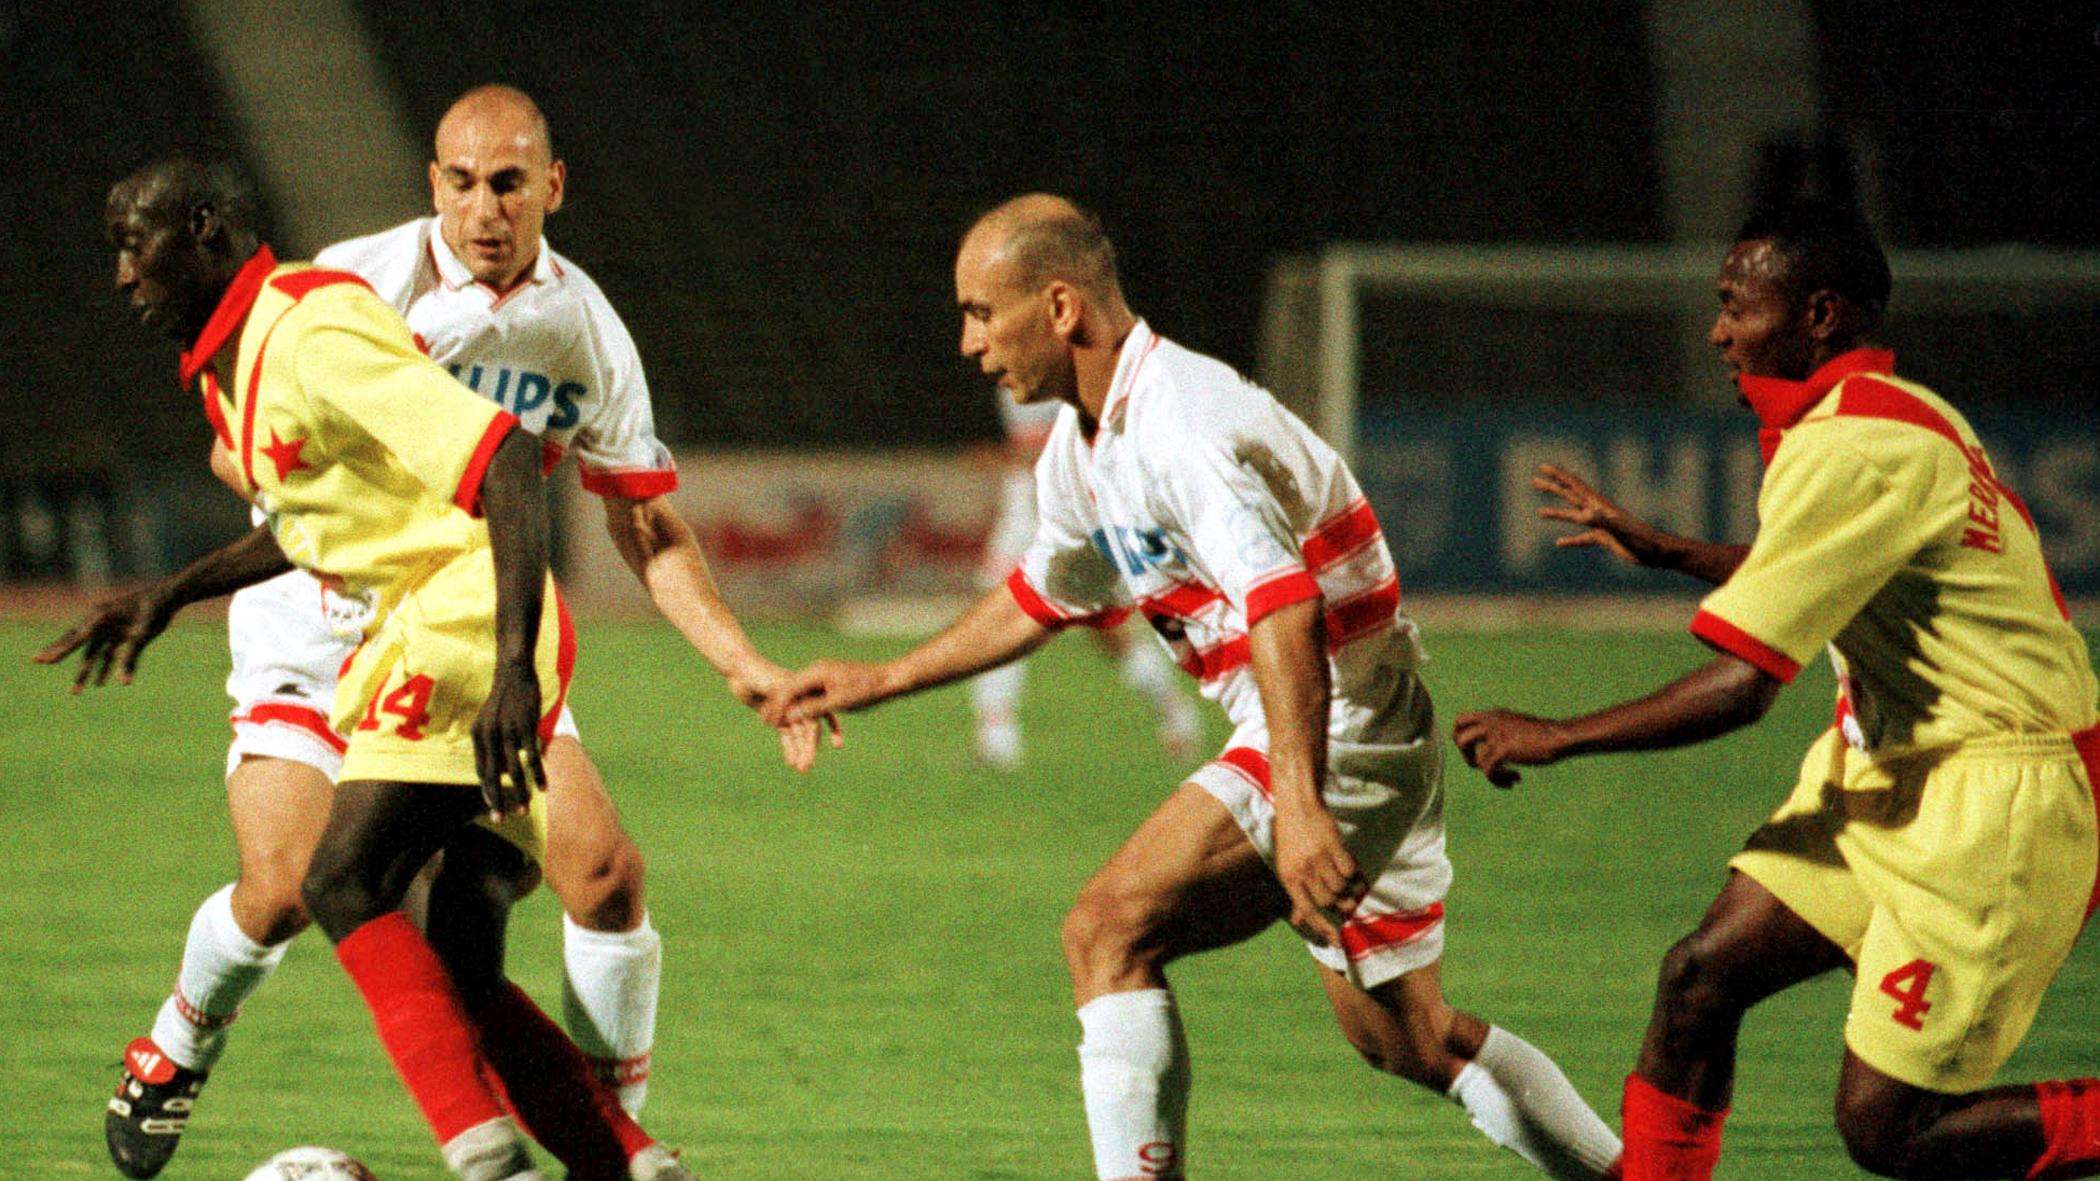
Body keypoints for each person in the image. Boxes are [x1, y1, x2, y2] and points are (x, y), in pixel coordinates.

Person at [763, 194, 1623, 1180]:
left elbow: (1285, 605)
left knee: (1108, 927)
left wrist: (1297, 805)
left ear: (1058, 308)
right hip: (1353, 714)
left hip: (1331, 718)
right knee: (1409, 1040)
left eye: (979, 312)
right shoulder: (1089, 441)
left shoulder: (1180, 422)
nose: (967, 343)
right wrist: (880, 677)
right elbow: (1046, 594)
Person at [75, 86, 808, 1178]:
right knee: (285, 889)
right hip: (322, 616)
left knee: (599, 872)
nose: (485, 207)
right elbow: (254, 458)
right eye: (461, 181)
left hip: (467, 609)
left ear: (552, 187)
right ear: (433, 184)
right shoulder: (348, 283)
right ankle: (180, 1037)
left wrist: (744, 663)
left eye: (509, 182)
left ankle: (597, 1129)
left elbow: (641, 517)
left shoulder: (583, 329)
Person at [1453, 199, 2100, 1181]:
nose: (1717, 331)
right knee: (1701, 979)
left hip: (1995, 801)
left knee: (1890, 1130)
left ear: (1821, 313)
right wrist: (1671, 549)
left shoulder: (1853, 446)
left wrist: (1558, 734)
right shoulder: (1893, 415)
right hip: (1889, 773)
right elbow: (1827, 563)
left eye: (1734, 305)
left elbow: (1744, 686)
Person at [968, 388, 1203, 768]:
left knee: (1108, 631)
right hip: (1027, 511)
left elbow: (1055, 448)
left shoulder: (1058, 370)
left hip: (1065, 511)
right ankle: (997, 738)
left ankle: (1174, 709)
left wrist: (1000, 459)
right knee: (995, 620)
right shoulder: (1010, 369)